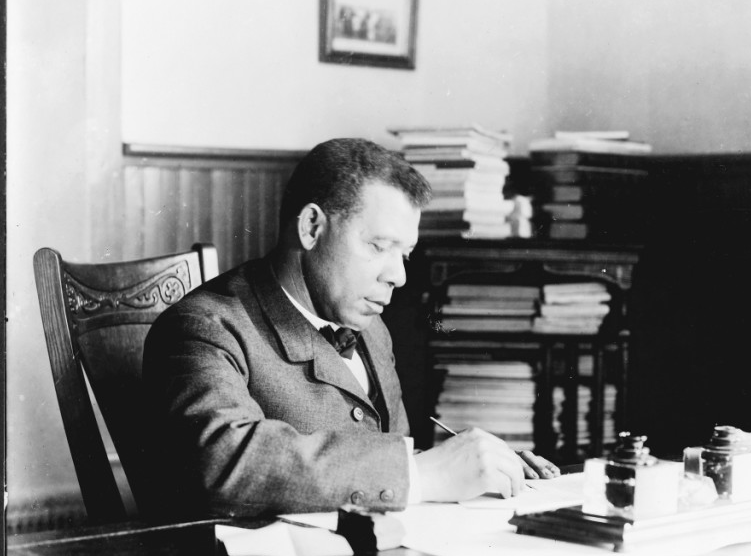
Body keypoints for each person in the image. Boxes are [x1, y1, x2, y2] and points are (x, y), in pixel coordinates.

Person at [143, 138, 548, 520]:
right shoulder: (205, 326)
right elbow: (223, 462)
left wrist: (482, 466)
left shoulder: (372, 328)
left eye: (404, 254)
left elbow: (385, 454)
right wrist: (423, 474)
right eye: (378, 246)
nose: (399, 276)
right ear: (312, 228)